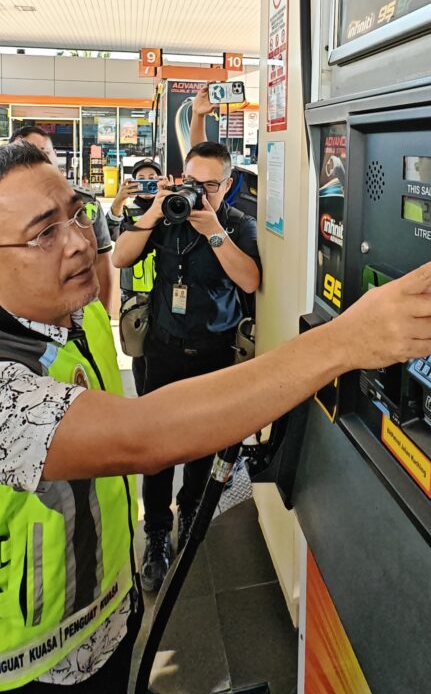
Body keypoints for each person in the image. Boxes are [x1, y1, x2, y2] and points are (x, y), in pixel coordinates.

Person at [0, 143, 431, 692]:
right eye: (44, 233)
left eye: (77, 213)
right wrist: (346, 340)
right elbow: (145, 436)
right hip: (30, 668)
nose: (78, 241)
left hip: (110, 619)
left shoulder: (69, 312)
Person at [113, 141, 262, 590]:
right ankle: (156, 532)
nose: (198, 192)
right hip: (162, 348)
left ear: (229, 184)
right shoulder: (167, 219)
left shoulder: (238, 225)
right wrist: (155, 210)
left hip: (214, 353)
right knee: (155, 448)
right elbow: (120, 257)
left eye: (210, 185)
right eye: (192, 182)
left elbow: (250, 280)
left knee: (202, 444)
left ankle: (191, 511)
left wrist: (215, 231)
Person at [9, 124, 115, 312]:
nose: (36, 161)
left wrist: (103, 312)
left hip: (80, 313)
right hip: (24, 313)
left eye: (43, 152)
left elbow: (101, 262)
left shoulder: (85, 202)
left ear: (55, 155)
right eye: (24, 155)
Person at [106, 158, 161, 391]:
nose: (148, 184)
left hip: (164, 288)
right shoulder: (128, 208)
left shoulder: (170, 205)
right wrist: (119, 201)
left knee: (162, 348)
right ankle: (143, 396)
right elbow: (112, 232)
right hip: (134, 293)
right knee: (138, 349)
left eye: (153, 179)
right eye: (142, 179)